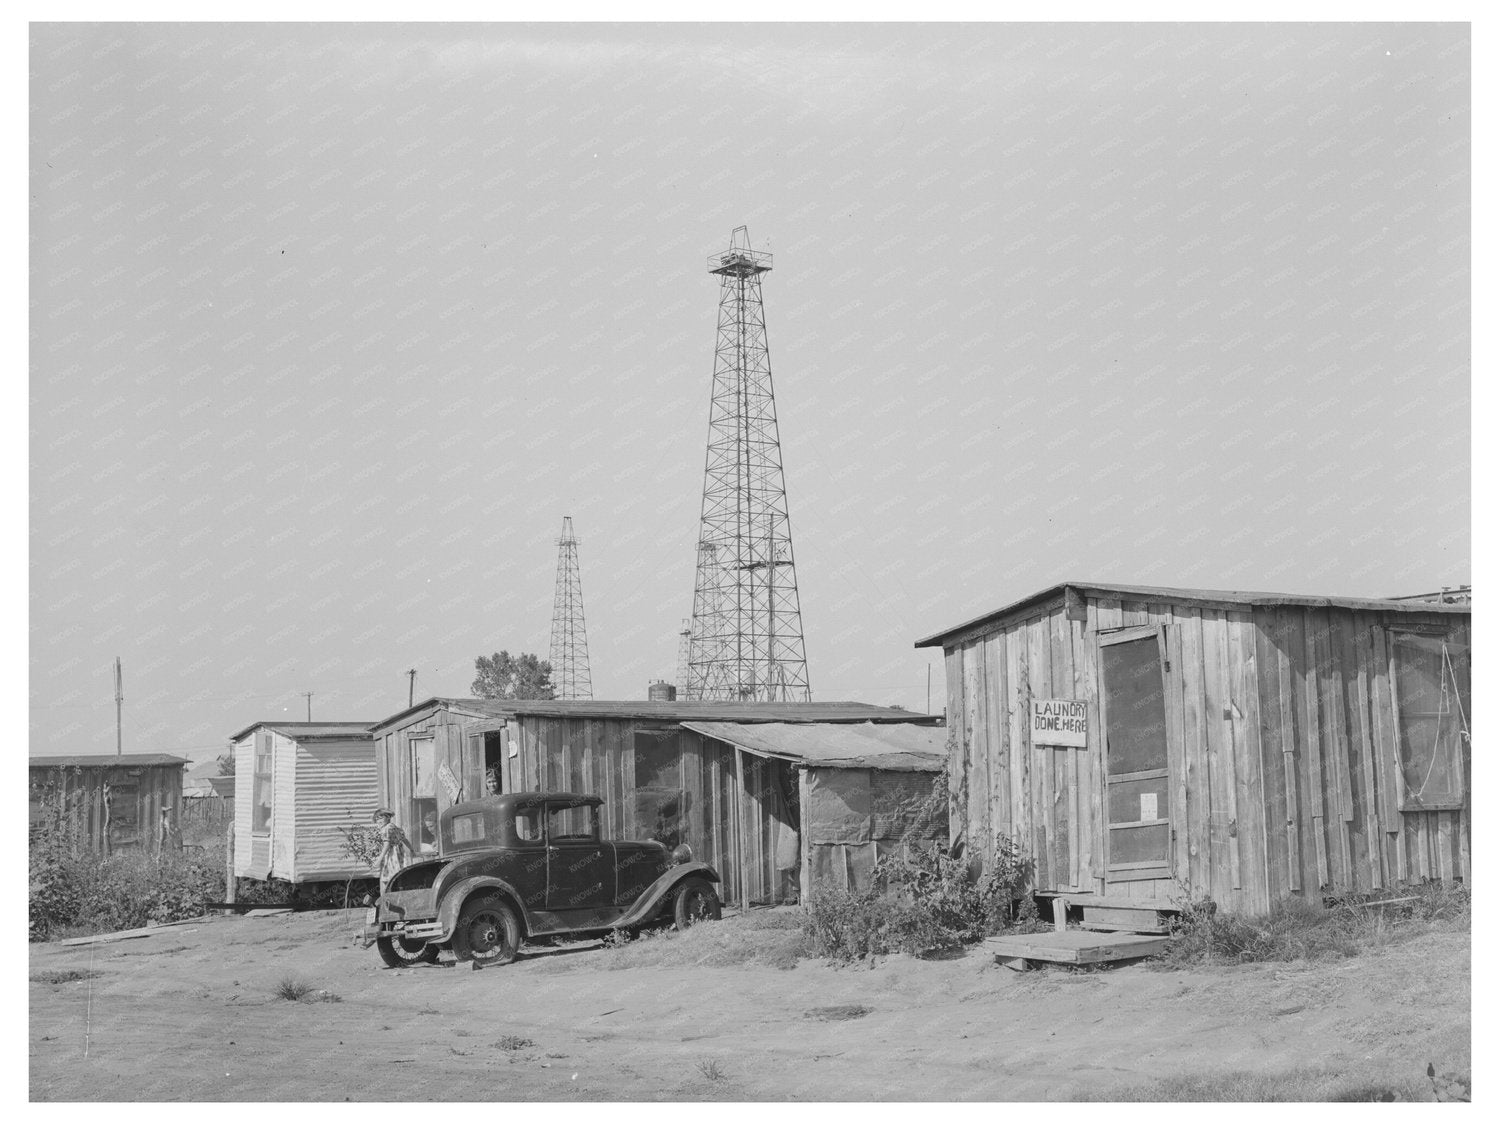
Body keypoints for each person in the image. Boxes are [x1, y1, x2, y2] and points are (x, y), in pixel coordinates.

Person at [372, 808, 411, 891]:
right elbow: (404, 839)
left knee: (387, 879)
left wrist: (379, 859)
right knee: (395, 877)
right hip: (397, 855)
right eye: (377, 819)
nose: (379, 821)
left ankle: (386, 895)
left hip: (391, 855)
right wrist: (412, 849)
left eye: (381, 818)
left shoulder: (387, 828)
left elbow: (387, 844)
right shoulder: (393, 827)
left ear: (388, 817)